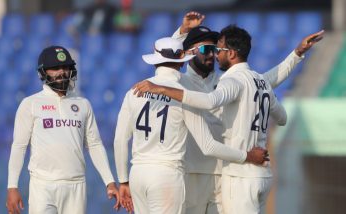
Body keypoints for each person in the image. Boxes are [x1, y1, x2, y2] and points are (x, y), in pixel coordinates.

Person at [133, 25, 324, 214]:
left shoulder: (227, 81)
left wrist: (296, 55)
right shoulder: (180, 82)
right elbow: (166, 61)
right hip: (192, 173)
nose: (212, 54)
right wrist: (181, 32)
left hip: (225, 172)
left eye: (215, 48)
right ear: (188, 54)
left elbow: (263, 82)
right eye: (206, 49)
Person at [114, 37, 270, 214]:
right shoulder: (183, 96)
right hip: (167, 175)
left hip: (138, 174)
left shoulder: (134, 91)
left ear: (155, 60)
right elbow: (208, 146)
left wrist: (123, 181)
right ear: (182, 62)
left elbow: (120, 140)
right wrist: (246, 156)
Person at [6, 45, 120, 214]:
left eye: (65, 67)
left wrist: (110, 182)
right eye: (55, 68)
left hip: (76, 185)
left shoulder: (83, 104)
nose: (61, 72)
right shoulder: (31, 104)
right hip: (43, 185)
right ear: (43, 72)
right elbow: (19, 146)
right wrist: (12, 187)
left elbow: (94, 145)